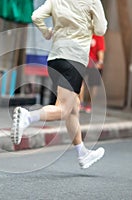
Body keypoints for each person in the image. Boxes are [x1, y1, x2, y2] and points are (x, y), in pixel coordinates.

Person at [11, 0, 107, 169]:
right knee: (64, 108)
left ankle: (82, 153)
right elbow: (100, 29)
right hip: (74, 58)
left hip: (55, 59)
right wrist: (87, 23)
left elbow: (36, 16)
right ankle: (27, 117)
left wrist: (47, 33)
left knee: (74, 106)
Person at [79, 34, 106, 113]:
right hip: (83, 62)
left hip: (94, 64)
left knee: (93, 86)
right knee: (80, 82)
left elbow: (100, 50)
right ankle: (81, 102)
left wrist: (100, 61)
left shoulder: (98, 36)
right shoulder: (84, 33)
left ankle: (89, 104)